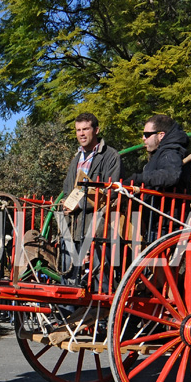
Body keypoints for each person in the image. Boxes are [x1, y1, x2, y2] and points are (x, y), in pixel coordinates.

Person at [59, 112, 122, 287]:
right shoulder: (76, 159)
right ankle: (67, 314)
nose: (81, 133)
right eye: (78, 130)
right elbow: (67, 188)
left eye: (85, 129)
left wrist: (79, 204)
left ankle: (101, 313)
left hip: (97, 225)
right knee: (68, 274)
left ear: (96, 130)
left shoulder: (111, 156)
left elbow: (111, 192)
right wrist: (66, 202)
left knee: (99, 275)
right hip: (71, 225)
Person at [127, 114, 189, 190]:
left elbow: (170, 176)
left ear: (161, 135)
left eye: (147, 135)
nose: (143, 138)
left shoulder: (171, 152)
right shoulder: (160, 152)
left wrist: (138, 178)